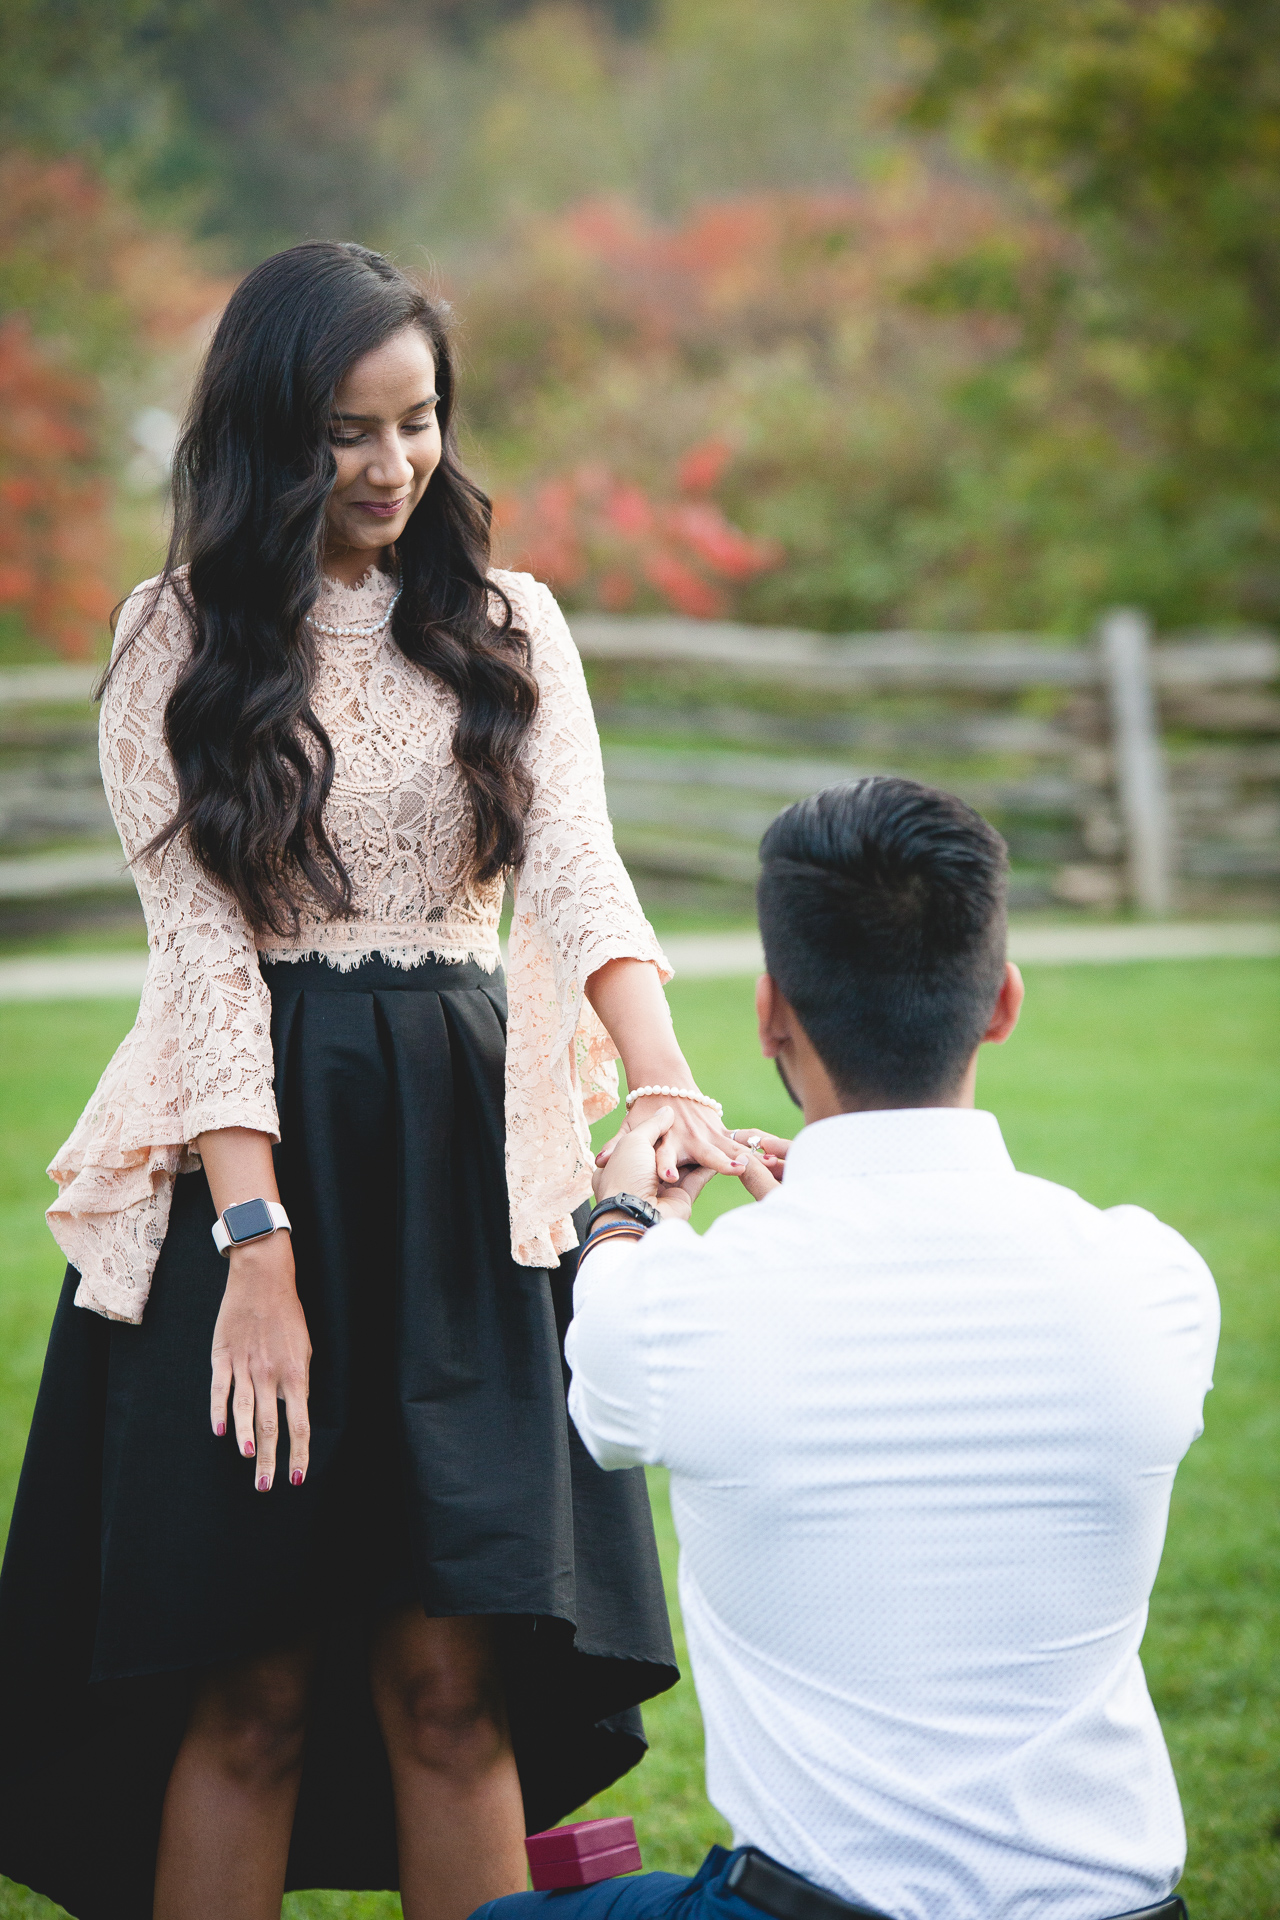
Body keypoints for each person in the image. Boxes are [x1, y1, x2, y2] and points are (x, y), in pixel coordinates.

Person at [0, 240, 749, 1920]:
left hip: (469, 1186)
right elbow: (197, 954)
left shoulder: (506, 623)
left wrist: (660, 1080)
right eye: (350, 431)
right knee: (249, 1691)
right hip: (247, 1158)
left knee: (449, 1683)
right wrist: (253, 1254)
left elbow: (577, 873)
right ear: (270, 438)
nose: (394, 465)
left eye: (418, 422)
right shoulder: (168, 640)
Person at [476, 776, 1217, 1920]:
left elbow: (622, 1348)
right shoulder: (1153, 1279)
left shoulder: (680, 1310)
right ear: (1002, 1002)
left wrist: (633, 1211)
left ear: (773, 1015)